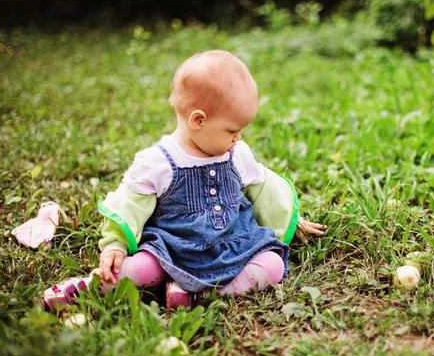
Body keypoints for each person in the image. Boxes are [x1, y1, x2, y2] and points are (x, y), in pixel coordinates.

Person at [43, 50, 325, 311]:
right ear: (198, 120)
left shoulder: (237, 154)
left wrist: (291, 218)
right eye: (232, 129)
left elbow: (263, 189)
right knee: (145, 267)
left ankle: (199, 295)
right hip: (174, 247)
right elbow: (128, 205)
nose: (238, 138)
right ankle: (90, 286)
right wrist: (115, 245)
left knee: (273, 263)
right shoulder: (158, 162)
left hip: (234, 244)